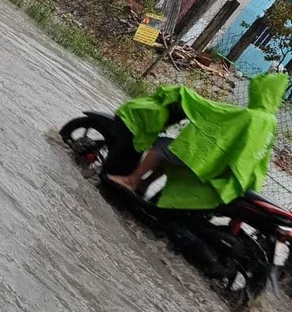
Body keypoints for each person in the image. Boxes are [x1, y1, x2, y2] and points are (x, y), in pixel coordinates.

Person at [106, 71, 288, 209]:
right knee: (173, 151)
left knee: (162, 147)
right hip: (229, 167)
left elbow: (214, 111)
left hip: (212, 160)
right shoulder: (270, 120)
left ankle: (132, 181)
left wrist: (186, 95)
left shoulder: (251, 115)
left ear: (261, 91)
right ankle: (145, 185)